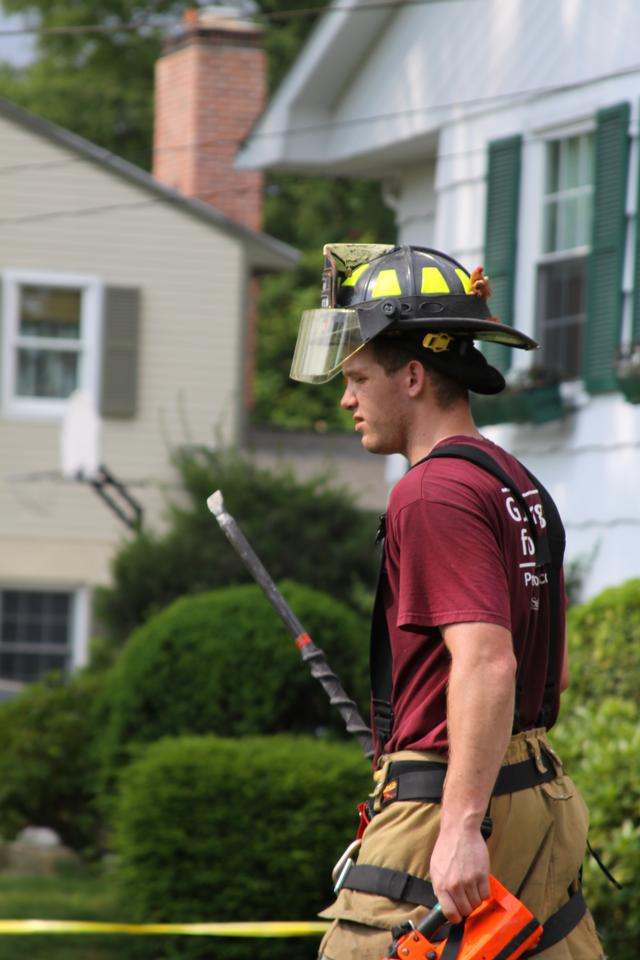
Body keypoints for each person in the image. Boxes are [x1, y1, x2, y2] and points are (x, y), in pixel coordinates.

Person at [289, 244, 603, 960]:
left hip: (454, 801)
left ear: (413, 375)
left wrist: (459, 826)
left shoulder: (430, 492)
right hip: (536, 794)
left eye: (359, 378)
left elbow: (489, 662)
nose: (347, 400)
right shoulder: (510, 480)